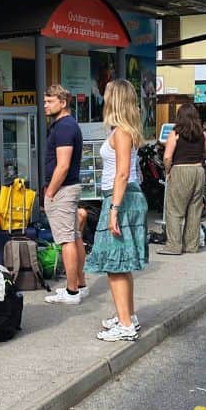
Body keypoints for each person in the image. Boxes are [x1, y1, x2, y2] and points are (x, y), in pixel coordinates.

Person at [86, 80, 147, 342]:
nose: (103, 98)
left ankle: (125, 325)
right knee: (121, 263)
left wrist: (113, 209)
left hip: (120, 198)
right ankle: (127, 316)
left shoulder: (121, 131)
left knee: (115, 265)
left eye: (108, 94)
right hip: (126, 197)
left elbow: (122, 173)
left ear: (115, 99)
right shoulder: (125, 130)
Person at [42, 85, 87, 305]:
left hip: (63, 189)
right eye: (45, 101)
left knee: (66, 239)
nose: (45, 105)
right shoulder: (65, 125)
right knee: (74, 236)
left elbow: (63, 165)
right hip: (67, 188)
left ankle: (72, 291)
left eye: (49, 101)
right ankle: (80, 285)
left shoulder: (64, 127)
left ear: (63, 102)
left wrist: (50, 192)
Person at [160, 103, 206, 255]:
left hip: (181, 171)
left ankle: (174, 246)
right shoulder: (202, 134)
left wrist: (168, 171)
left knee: (175, 210)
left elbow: (167, 157)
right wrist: (197, 156)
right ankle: (191, 246)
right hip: (198, 170)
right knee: (194, 210)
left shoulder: (175, 133)